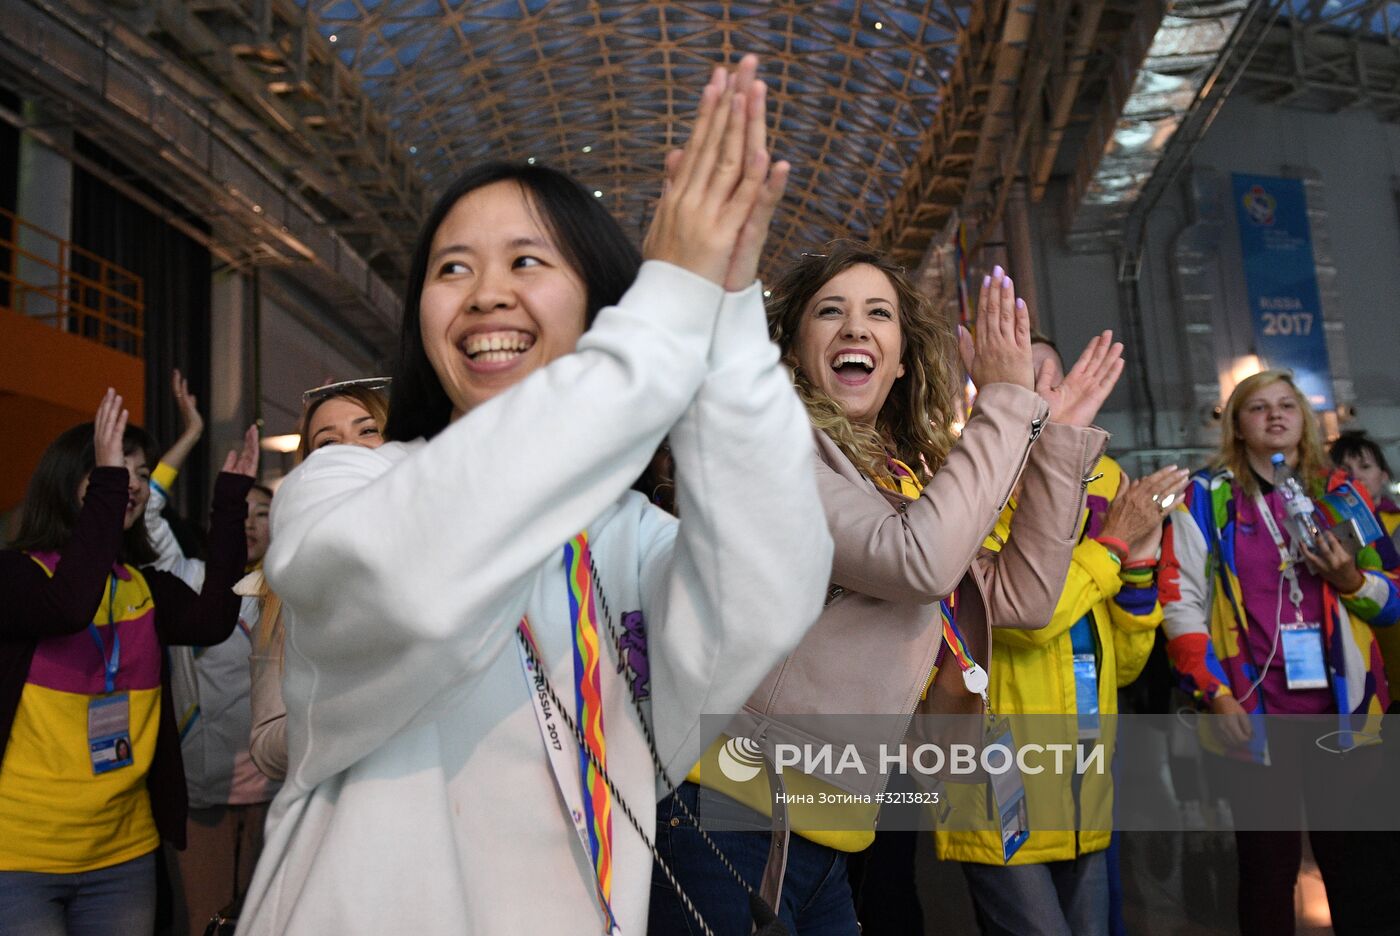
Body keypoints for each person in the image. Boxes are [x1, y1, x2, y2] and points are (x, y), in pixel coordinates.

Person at [236, 56, 833, 936]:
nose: (486, 295)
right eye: (451, 270)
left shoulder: (628, 540)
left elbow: (770, 580)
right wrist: (665, 313)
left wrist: (728, 313)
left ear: (599, 307)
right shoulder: (347, 487)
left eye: (526, 260)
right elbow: (412, 584)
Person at [649, 240, 1123, 935]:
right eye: (829, 312)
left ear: (901, 359)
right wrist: (1006, 405)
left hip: (830, 835)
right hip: (730, 819)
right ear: (790, 347)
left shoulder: (896, 483)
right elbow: (919, 561)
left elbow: (1022, 596)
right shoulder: (767, 446)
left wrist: (1056, 445)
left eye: (879, 314)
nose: (855, 328)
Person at [935, 335, 1189, 936]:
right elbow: (1022, 619)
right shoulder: (961, 481)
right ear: (985, 391)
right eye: (1024, 379)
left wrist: (1139, 572)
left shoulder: (1104, 478)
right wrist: (1112, 548)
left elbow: (1123, 665)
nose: (1049, 394)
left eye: (1055, 378)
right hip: (999, 764)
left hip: (1086, 758)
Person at [0, 389, 258, 936]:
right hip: (18, 855)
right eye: (119, 469)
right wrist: (109, 485)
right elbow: (69, 606)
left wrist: (231, 503)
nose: (135, 484)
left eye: (140, 474)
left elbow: (213, 622)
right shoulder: (18, 575)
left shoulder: (144, 586)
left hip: (123, 854)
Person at [1160, 370, 1400, 936]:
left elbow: (1392, 595)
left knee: (1356, 868)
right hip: (1252, 715)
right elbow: (1180, 601)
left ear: (1305, 421)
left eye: (1287, 405)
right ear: (1238, 427)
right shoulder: (1206, 497)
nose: (1275, 415)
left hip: (1345, 715)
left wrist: (1350, 582)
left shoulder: (1344, 495)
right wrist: (1214, 694)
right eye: (1258, 407)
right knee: (1268, 872)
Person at [139, 370, 279, 934]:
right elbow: (148, 508)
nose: (248, 522)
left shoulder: (293, 588)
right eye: (240, 510)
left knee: (269, 921)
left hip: (276, 785)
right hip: (204, 790)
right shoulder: (192, 577)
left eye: (262, 513)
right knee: (204, 922)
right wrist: (192, 432)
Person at [245, 377, 390, 783]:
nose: (350, 449)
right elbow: (265, 742)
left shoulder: (457, 550)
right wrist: (342, 715)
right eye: (328, 443)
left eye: (368, 430)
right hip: (346, 813)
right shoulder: (286, 590)